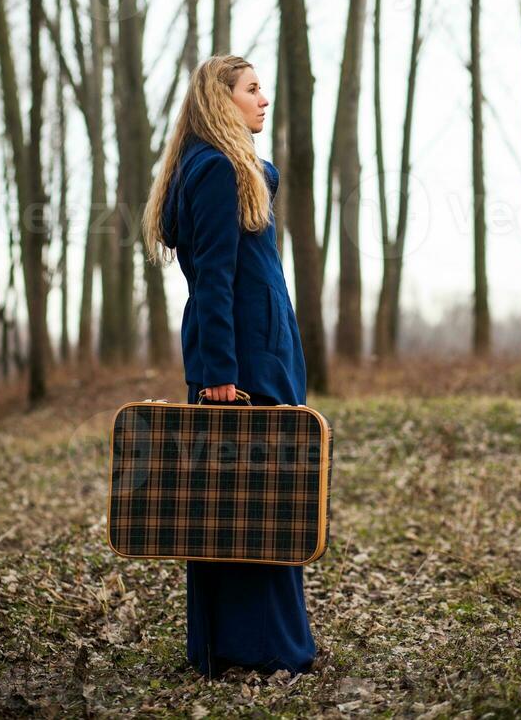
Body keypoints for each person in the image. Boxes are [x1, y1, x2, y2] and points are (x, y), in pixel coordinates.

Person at [142, 53, 317, 681]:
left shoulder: (229, 167)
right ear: (222, 100)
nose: (263, 99)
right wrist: (221, 373)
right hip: (240, 361)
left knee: (245, 496)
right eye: (251, 89)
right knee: (251, 500)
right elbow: (212, 280)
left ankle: (237, 645)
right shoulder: (215, 169)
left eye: (264, 87)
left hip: (259, 352)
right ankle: (257, 648)